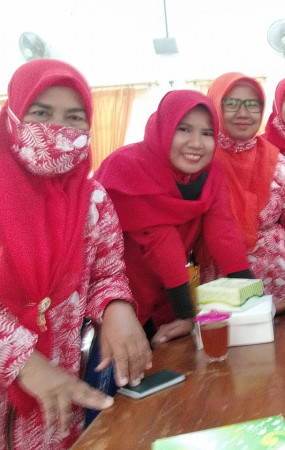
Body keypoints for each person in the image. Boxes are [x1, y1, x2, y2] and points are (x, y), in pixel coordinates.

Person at [0, 59, 152, 449]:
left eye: (74, 117)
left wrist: (117, 307)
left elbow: (107, 272)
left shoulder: (92, 200)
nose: (58, 129)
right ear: (13, 116)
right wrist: (23, 361)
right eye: (41, 113)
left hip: (61, 387)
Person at [95, 90, 251, 347]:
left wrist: (253, 297)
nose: (196, 143)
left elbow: (223, 232)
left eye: (207, 133)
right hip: (121, 301)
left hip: (169, 294)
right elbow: (161, 243)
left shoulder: (210, 173)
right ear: (165, 128)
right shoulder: (127, 166)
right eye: (184, 129)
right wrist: (186, 314)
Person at [206, 72, 285, 313]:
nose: (243, 112)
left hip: (282, 291)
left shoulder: (276, 162)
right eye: (232, 103)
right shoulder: (200, 162)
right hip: (222, 294)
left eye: (252, 104)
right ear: (216, 105)